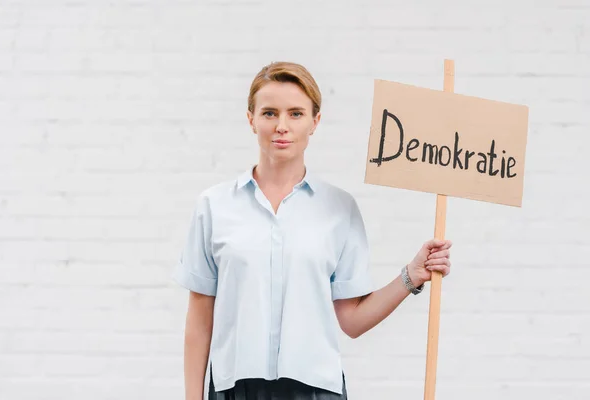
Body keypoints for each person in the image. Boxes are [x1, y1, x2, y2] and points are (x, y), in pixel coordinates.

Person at [172, 61, 452, 400]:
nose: (282, 126)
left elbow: (352, 320)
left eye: (296, 113)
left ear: (314, 122)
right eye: (270, 113)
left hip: (317, 390)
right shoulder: (214, 206)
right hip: (235, 388)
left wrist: (412, 276)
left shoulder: (339, 209)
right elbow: (200, 319)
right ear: (251, 120)